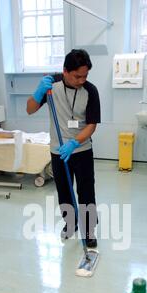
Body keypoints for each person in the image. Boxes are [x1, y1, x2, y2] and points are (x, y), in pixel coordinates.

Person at [27, 49, 101, 249]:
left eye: (85, 76)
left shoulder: (91, 91)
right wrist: (38, 93)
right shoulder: (51, 86)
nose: (81, 80)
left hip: (82, 149)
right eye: (77, 76)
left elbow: (91, 125)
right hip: (58, 151)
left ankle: (88, 230)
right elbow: (30, 109)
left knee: (86, 192)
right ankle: (71, 224)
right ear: (65, 71)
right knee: (64, 191)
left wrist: (75, 142)